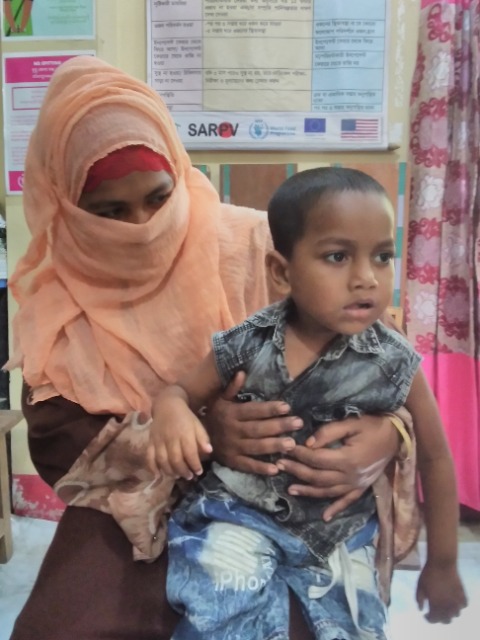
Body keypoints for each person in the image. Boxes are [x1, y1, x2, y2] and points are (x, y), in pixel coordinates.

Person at [5, 56, 418, 640]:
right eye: (110, 212)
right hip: (136, 511)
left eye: (158, 198)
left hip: (279, 493)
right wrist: (199, 437)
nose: (144, 226)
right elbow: (63, 449)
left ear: (179, 172)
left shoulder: (257, 246)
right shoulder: (58, 309)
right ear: (68, 206)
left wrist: (388, 434)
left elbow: (382, 357)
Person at [150, 167, 467, 639]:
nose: (366, 279)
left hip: (339, 533)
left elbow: (437, 458)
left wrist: (442, 563)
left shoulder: (395, 361)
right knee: (223, 613)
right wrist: (172, 413)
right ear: (283, 272)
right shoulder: (248, 342)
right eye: (338, 256)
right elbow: (180, 392)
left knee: (355, 629)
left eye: (382, 256)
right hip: (238, 513)